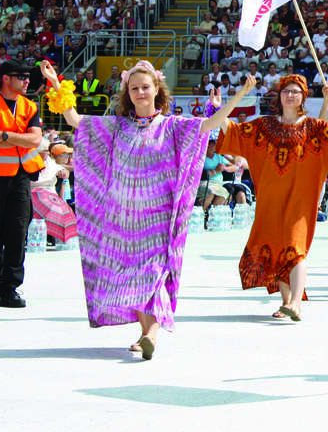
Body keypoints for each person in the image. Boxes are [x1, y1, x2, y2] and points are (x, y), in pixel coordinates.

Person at [39, 59, 251, 360]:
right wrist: (55, 83)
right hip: (121, 218)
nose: (140, 92)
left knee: (151, 273)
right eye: (134, 88)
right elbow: (74, 119)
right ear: (128, 92)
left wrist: (239, 97)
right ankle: (145, 333)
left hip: (158, 218)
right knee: (132, 277)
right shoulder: (115, 126)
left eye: (145, 87)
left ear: (157, 90)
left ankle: (149, 333)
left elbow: (209, 125)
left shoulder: (172, 126)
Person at [215, 76, 328, 320]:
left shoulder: (314, 127)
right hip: (270, 203)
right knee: (276, 251)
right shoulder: (263, 126)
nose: (290, 95)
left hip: (300, 203)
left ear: (303, 97)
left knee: (295, 250)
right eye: (286, 91)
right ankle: (286, 302)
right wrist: (238, 95)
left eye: (296, 91)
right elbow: (229, 130)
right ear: (280, 95)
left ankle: (296, 302)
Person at [0, 61, 44, 308]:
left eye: (28, 77)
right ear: (6, 78)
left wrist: (6, 135)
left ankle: (10, 288)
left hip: (20, 177)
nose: (27, 81)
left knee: (17, 233)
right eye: (22, 76)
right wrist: (20, 138)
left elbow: (35, 139)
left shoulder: (30, 105)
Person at [30, 141, 78, 247]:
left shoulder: (50, 163)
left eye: (69, 154)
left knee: (62, 207)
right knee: (47, 202)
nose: (68, 157)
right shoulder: (31, 160)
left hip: (50, 195)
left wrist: (65, 172)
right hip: (35, 193)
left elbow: (62, 169)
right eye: (65, 154)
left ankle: (57, 238)